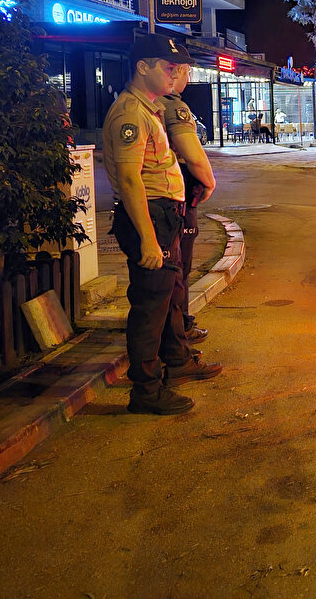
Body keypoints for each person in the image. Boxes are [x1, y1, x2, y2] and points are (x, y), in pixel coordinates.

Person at [102, 33, 222, 415]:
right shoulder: (130, 114)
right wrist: (149, 240)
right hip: (149, 217)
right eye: (168, 67)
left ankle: (163, 373)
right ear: (142, 67)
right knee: (149, 309)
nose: (175, 75)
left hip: (161, 216)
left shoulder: (148, 108)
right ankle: (146, 392)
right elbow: (131, 180)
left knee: (163, 299)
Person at [160, 64, 216, 343]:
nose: (188, 79)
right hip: (176, 196)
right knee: (179, 266)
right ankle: (179, 329)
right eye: (187, 73)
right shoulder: (173, 106)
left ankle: (175, 329)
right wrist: (208, 181)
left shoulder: (142, 103)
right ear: (177, 72)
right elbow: (193, 156)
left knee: (168, 270)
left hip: (160, 198)